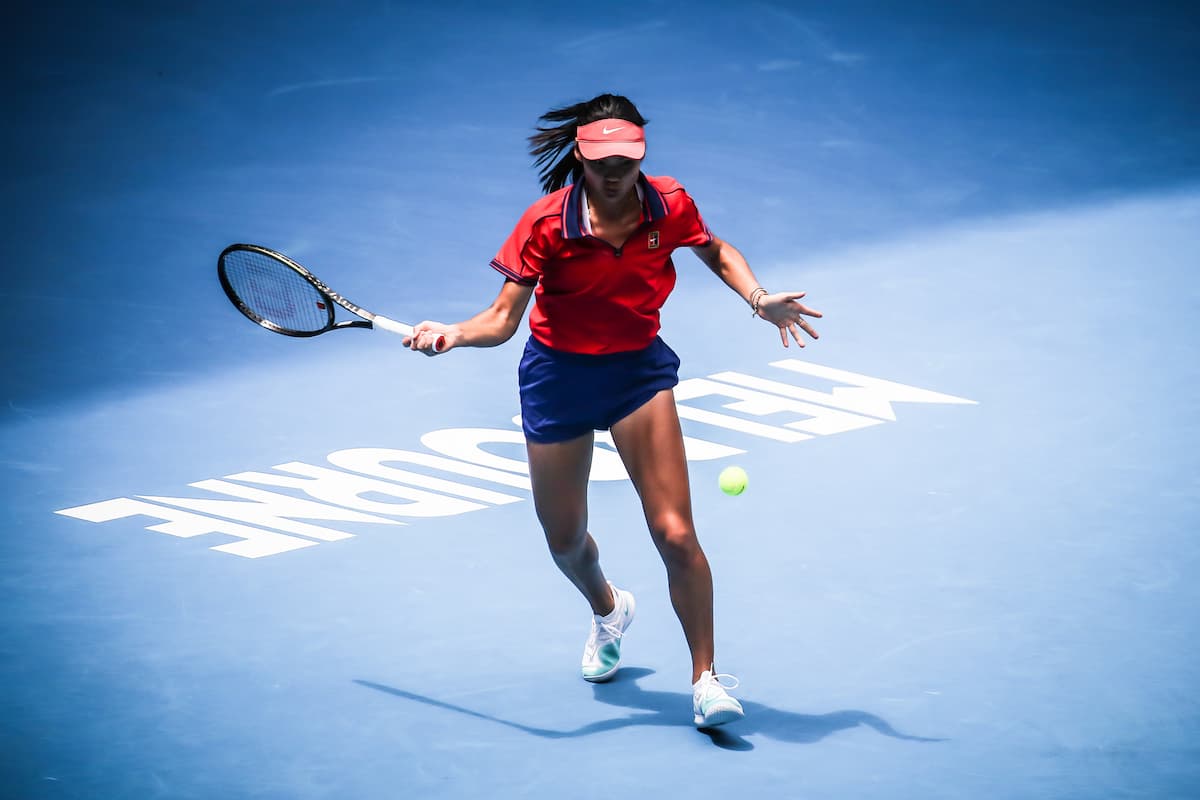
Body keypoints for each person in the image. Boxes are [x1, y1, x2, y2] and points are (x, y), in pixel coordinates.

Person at [404, 93, 821, 728]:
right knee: (566, 540)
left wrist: (757, 296)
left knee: (676, 533)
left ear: (640, 155)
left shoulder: (670, 203)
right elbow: (500, 321)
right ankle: (608, 608)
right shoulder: (546, 224)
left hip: (636, 374)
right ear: (581, 155)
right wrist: (453, 334)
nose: (615, 170)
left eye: (627, 157)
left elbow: (714, 249)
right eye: (602, 159)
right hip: (558, 378)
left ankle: (705, 679)